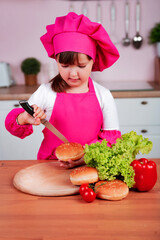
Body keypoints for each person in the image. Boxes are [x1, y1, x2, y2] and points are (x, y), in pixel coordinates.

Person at [5, 12, 121, 168]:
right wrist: (24, 119)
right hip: (51, 167)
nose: (73, 74)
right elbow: (14, 125)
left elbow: (111, 140)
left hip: (89, 166)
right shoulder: (46, 92)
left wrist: (85, 157)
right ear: (56, 61)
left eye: (81, 66)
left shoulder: (104, 95)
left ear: (93, 61)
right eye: (64, 66)